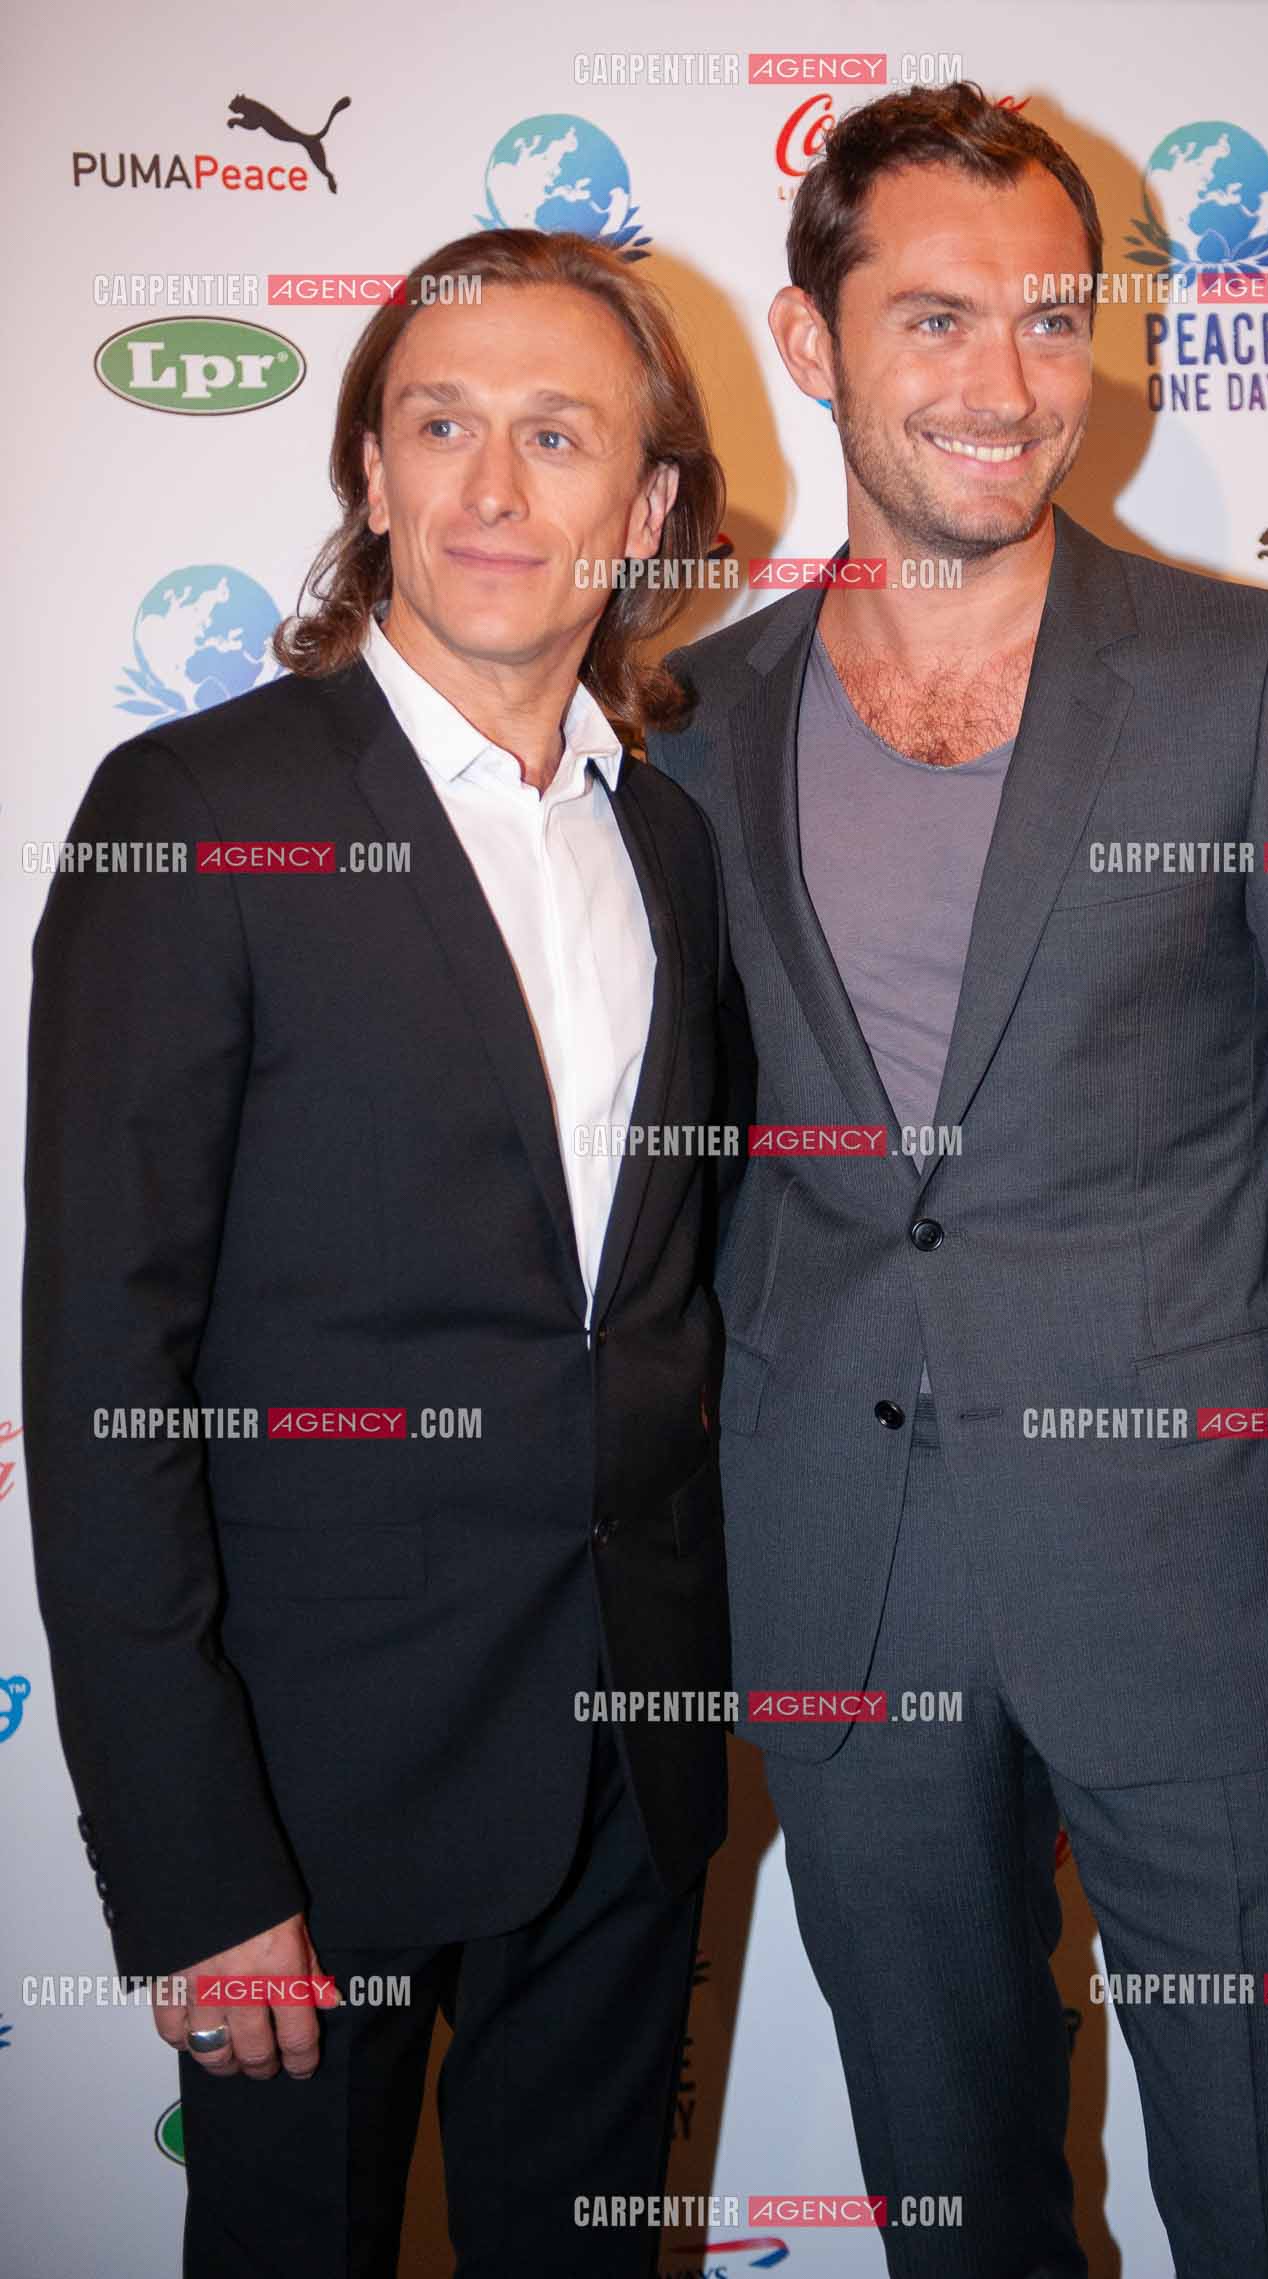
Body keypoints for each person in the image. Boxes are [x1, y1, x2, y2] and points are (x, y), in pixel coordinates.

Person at [648, 83, 1268, 2279]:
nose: (1008, 384)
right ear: (813, 341)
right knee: (955, 2211)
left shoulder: (1256, 675)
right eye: (935, 319)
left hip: (1210, 1588)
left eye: (1051, 319)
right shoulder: (686, 724)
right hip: (843, 1585)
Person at [24, 227, 739, 2279]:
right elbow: (103, 1370)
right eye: (440, 426)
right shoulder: (194, 810)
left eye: (556, 435)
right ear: (368, 470)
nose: (493, 490)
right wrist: (191, 1865)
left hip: (628, 1766)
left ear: (647, 509)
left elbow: (660, 1303)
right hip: (303, 1808)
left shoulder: (665, 842)